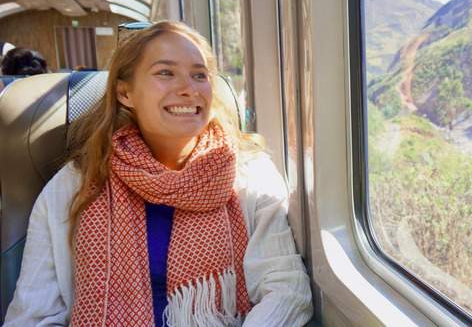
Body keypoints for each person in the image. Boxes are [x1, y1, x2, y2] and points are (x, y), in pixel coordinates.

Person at [4, 21, 313, 326]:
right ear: (125, 93)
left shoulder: (248, 174)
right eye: (166, 72)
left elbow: (286, 289)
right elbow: (33, 316)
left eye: (199, 75)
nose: (189, 89)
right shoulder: (74, 185)